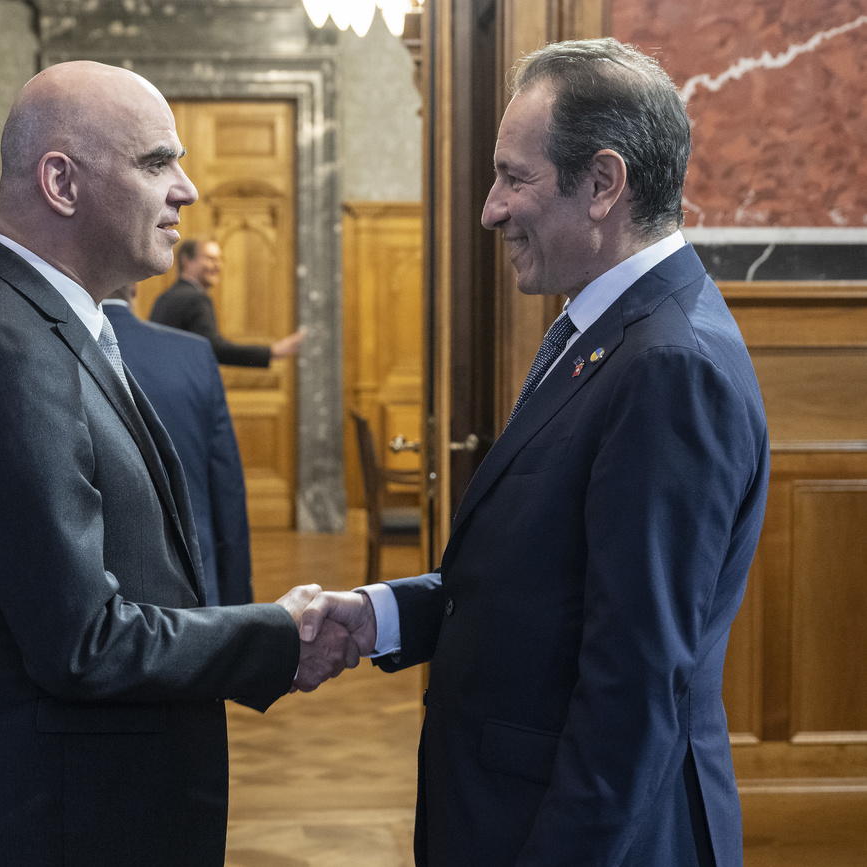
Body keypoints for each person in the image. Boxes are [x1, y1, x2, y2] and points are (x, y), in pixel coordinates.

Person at [300, 38, 769, 867]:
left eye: (514, 177)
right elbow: (542, 588)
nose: (489, 208)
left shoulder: (668, 368)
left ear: (603, 184)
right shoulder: (608, 336)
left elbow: (632, 688)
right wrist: (379, 615)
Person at [0, 61, 355, 866]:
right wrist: (277, 634)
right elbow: (84, 639)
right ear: (62, 182)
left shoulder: (53, 326)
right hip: (45, 821)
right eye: (155, 162)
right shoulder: (4, 348)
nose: (189, 189)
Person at [103, 282, 254, 606]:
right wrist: (241, 609)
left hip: (98, 602)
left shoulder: (46, 351)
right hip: (194, 582)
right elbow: (226, 487)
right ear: (133, 288)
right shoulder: (195, 354)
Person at [149, 237, 306, 366]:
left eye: (219, 259)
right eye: (210, 259)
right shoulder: (196, 299)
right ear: (187, 261)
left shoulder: (164, 298)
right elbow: (214, 349)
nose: (218, 266)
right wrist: (272, 351)